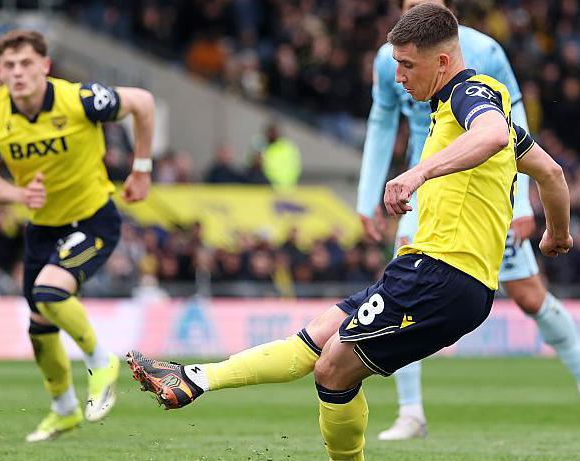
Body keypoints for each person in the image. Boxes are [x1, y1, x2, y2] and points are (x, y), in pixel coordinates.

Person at [126, 5, 573, 460]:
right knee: (318, 338)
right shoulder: (455, 110)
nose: (398, 77)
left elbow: (494, 133)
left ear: (442, 62)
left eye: (407, 65)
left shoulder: (471, 94)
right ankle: (196, 379)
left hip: (443, 277)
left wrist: (417, 173)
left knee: (333, 370)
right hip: (429, 273)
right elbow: (552, 173)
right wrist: (557, 234)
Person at [357, 0, 580, 440]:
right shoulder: (391, 59)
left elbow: (508, 129)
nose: (416, 10)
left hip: (483, 189)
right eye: (408, 5)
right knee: (401, 287)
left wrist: (519, 206)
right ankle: (410, 412)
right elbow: (382, 119)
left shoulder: (484, 52)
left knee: (530, 297)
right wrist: (367, 198)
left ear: (448, 11)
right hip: (422, 186)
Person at [0, 30, 155, 442]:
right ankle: (64, 410)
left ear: (45, 66)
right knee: (39, 323)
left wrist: (141, 168)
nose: (19, 73)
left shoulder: (80, 100)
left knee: (50, 293)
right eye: (10, 66)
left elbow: (142, 102)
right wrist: (17, 194)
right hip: (42, 227)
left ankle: (101, 360)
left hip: (93, 220)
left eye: (27, 63)